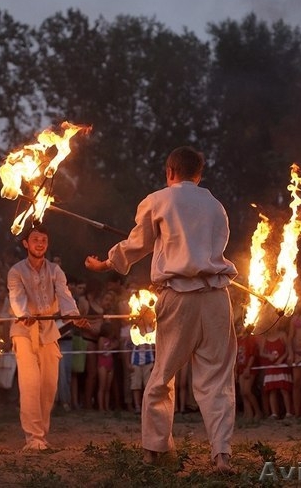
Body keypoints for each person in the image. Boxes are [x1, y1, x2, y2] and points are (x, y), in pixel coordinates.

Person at [85, 146, 238, 474]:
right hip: (216, 297)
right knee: (217, 378)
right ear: (199, 175)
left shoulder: (158, 200)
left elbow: (137, 243)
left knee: (163, 373)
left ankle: (154, 450)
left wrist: (107, 263)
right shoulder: (216, 207)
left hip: (178, 296)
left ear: (170, 172)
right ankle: (221, 454)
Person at [8, 225, 88, 451]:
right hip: (24, 331)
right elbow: (17, 297)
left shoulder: (55, 271)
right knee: (30, 383)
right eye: (35, 239)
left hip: (49, 330)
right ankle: (33, 438)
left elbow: (65, 296)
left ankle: (41, 436)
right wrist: (24, 315)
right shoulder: (16, 271)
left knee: (48, 386)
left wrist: (74, 316)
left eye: (43, 239)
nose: (39, 243)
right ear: (26, 243)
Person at [96, 321, 118, 412]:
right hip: (102, 363)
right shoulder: (101, 339)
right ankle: (101, 407)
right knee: (102, 386)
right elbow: (100, 351)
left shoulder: (112, 341)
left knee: (108, 388)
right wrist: (109, 348)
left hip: (110, 362)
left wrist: (113, 346)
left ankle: (107, 407)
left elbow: (117, 344)